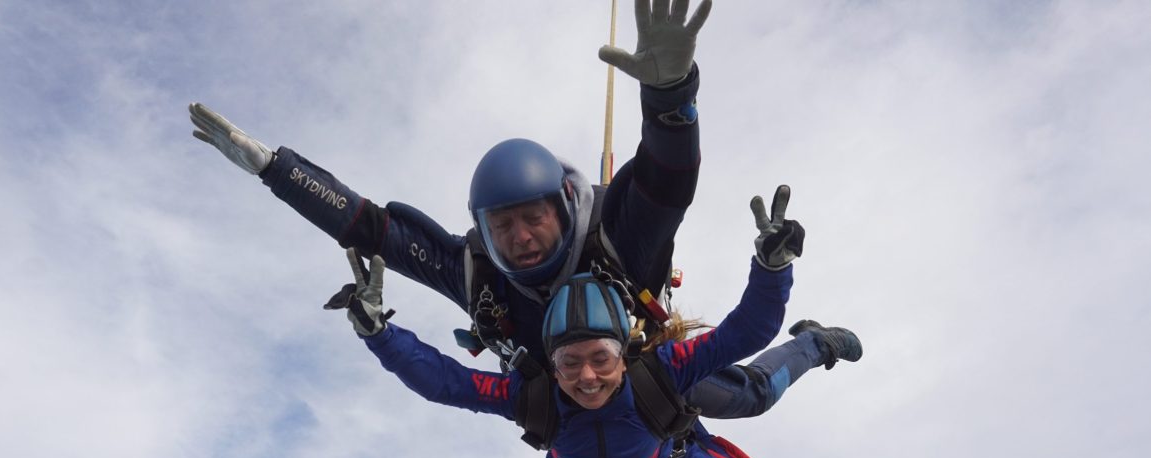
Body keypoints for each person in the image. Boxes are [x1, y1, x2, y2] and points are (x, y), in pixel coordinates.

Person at [186, 1, 804, 420]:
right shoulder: (477, 272)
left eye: (532, 218)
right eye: (501, 227)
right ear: (482, 230)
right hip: (566, 396)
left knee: (748, 399)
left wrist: (670, 92)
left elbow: (669, 177)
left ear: (566, 205)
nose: (521, 239)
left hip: (640, 371)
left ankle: (814, 345)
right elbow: (376, 230)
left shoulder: (616, 236)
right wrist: (277, 171)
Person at [326, 189, 862, 458]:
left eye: (601, 359)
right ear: (550, 365)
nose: (586, 376)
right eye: (569, 363)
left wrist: (771, 269)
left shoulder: (666, 369)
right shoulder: (533, 397)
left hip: (665, 456)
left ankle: (816, 343)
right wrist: (379, 332)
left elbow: (746, 331)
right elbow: (446, 382)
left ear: (624, 355)